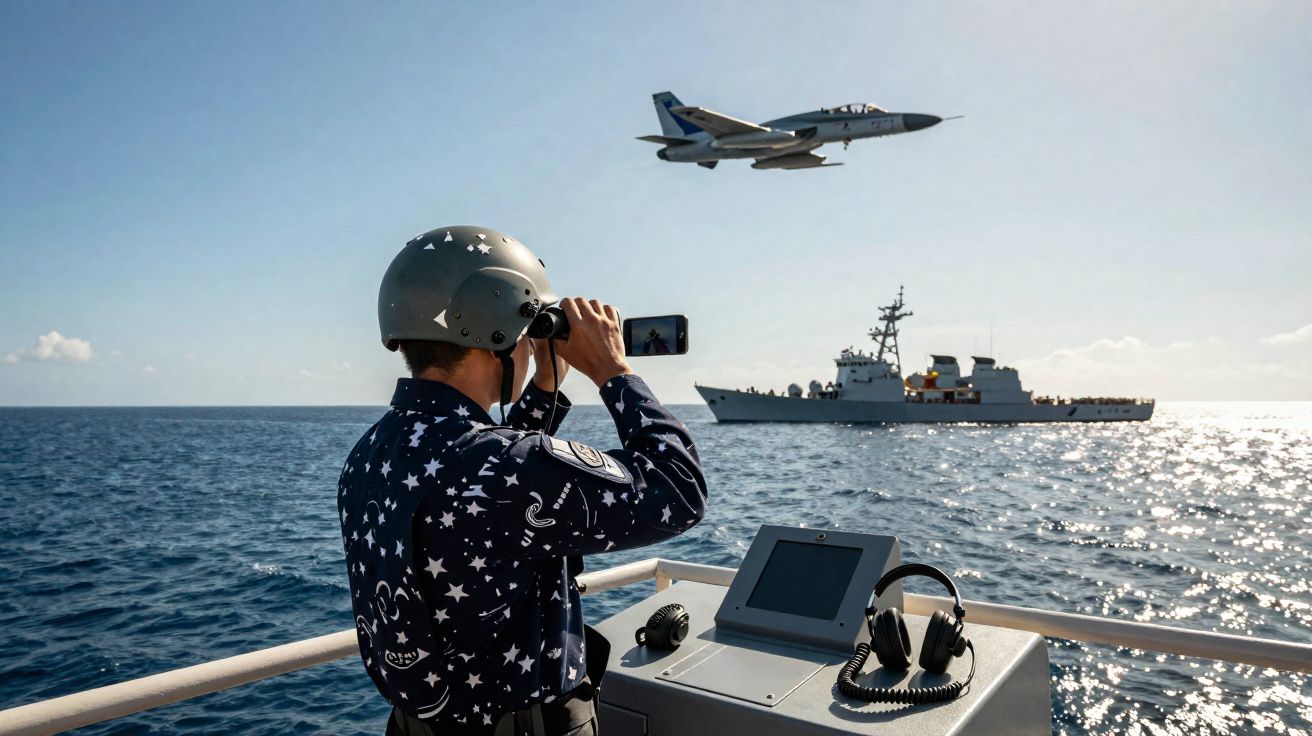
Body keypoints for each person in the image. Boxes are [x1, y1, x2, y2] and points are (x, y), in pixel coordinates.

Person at [338, 226, 708, 735]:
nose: (532, 347)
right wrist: (614, 371)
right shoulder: (503, 465)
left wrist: (545, 386)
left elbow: (488, 483)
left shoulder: (369, 454)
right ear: (492, 329)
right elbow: (678, 491)